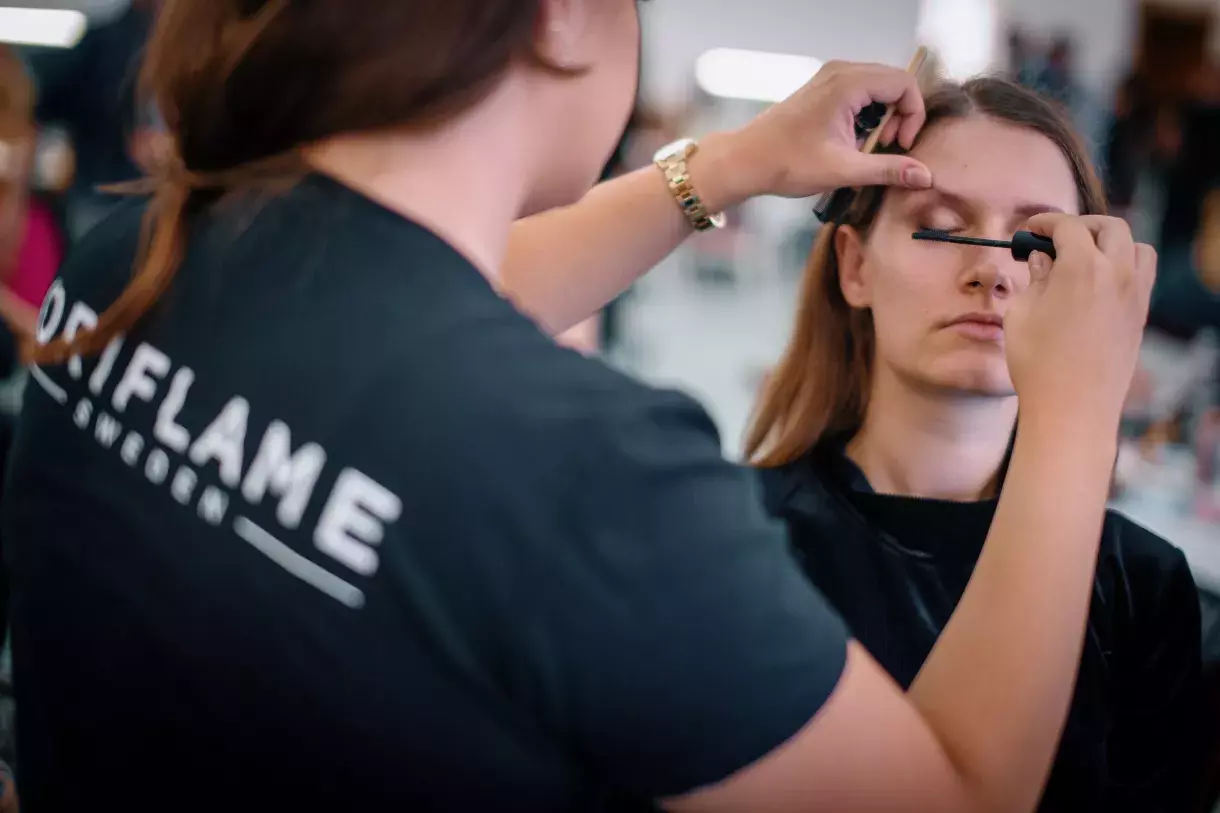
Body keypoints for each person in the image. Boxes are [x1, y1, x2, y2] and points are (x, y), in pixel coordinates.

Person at [2, 3, 1154, 812]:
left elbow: (424, 301)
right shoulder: (584, 473)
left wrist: (733, 163)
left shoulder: (141, 254)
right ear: (561, 17)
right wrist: (1075, 410)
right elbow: (955, 795)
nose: (991, 268)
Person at [741, 77, 1203, 812]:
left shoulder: (1141, 585)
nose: (991, 269)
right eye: (940, 227)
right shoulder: (737, 539)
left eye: (1035, 242)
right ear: (855, 266)